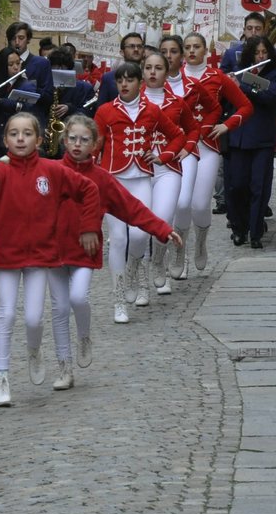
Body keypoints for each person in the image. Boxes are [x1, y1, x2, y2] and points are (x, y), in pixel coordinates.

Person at [0, 112, 100, 407]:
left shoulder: (52, 171)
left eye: (26, 134)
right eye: (14, 133)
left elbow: (89, 189)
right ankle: (1, 378)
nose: (20, 138)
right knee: (7, 314)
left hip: (40, 256)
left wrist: (89, 226)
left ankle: (34, 350)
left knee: (34, 319)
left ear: (39, 140)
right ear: (5, 140)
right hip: (7, 255)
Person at [54, 114, 178, 375]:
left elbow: (132, 208)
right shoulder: (51, 171)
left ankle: (84, 335)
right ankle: (64, 366)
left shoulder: (101, 178)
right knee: (59, 309)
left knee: (78, 298)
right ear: (65, 141)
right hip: (52, 251)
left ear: (95, 144)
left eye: (84, 140)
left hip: (84, 251)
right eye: (73, 139)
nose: (78, 144)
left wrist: (163, 229)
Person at [92, 61, 185, 321]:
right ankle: (118, 298)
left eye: (130, 79)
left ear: (139, 83)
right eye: (120, 80)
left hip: (142, 177)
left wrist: (163, 155)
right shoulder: (105, 111)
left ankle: (133, 267)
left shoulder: (152, 110)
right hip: (113, 180)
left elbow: (177, 135)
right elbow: (94, 146)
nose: (124, 84)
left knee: (140, 234)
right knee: (119, 238)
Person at [179, 33, 252, 269]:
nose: (191, 51)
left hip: (207, 145)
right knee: (181, 203)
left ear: (206, 51)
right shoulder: (173, 77)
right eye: (187, 47)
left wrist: (226, 125)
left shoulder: (217, 77)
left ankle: (200, 241)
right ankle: (179, 252)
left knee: (200, 204)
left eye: (196, 46)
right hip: (179, 147)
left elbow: (245, 105)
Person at [223, 35, 276, 248]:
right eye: (257, 53)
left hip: (262, 137)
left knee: (259, 186)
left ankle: (256, 230)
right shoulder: (240, 73)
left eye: (264, 53)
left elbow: (271, 96)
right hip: (239, 137)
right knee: (237, 186)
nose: (261, 56)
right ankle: (238, 227)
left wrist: (242, 84)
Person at [140, 47, 194, 296]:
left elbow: (192, 130)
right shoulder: (132, 99)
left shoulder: (177, 102)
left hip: (168, 167)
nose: (153, 72)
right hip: (137, 168)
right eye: (148, 67)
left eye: (158, 68)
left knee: (163, 218)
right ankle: (138, 276)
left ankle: (159, 261)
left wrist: (184, 149)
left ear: (167, 71)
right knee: (138, 227)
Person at [0, 49, 30, 161]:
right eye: (11, 64)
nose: (16, 67)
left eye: (18, 63)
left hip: (16, 141)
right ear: (2, 66)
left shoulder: (26, 85)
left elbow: (23, 107)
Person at [95, 31, 147, 105]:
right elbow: (101, 108)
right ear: (122, 52)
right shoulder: (109, 78)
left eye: (139, 46)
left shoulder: (149, 76)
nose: (136, 49)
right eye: (131, 46)